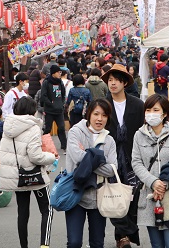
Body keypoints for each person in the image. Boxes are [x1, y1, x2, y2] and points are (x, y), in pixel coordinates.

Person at [131, 94, 169, 248]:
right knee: (156, 244)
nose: (151, 113)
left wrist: (164, 184)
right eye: (148, 110)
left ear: (164, 114)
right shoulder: (139, 135)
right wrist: (153, 182)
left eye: (155, 110)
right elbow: (136, 163)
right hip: (149, 196)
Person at [0, 97, 57, 248]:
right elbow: (36, 156)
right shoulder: (33, 127)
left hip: (18, 177)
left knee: (22, 213)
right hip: (35, 176)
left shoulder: (8, 128)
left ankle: (23, 246)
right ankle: (44, 245)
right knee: (47, 209)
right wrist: (51, 157)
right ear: (32, 111)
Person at [102, 64, 145, 248]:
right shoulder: (102, 104)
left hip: (132, 156)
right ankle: (124, 236)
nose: (113, 84)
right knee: (113, 195)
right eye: (110, 80)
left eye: (117, 80)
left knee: (132, 197)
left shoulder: (137, 104)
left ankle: (126, 233)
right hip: (110, 157)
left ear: (125, 82)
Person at [65, 99, 117, 248]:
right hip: (75, 193)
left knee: (97, 243)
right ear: (89, 114)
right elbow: (76, 157)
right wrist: (100, 159)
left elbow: (112, 169)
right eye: (96, 114)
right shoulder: (76, 131)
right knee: (74, 242)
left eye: (104, 115)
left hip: (98, 196)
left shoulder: (110, 140)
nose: (100, 119)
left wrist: (87, 159)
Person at [40, 65, 67, 151]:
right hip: (49, 110)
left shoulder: (60, 82)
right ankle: (43, 144)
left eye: (60, 72)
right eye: (58, 72)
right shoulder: (46, 82)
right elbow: (43, 95)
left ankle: (64, 146)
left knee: (62, 128)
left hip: (59, 110)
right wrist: (50, 103)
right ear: (53, 73)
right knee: (48, 128)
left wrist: (62, 104)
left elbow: (63, 94)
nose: (60, 74)